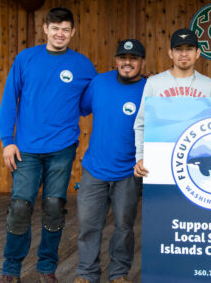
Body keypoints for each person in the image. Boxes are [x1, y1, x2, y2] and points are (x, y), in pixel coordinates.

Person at [0, 7, 97, 283]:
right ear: (45, 29)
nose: (60, 34)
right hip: (27, 148)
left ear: (73, 32)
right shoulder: (26, 59)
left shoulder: (82, 65)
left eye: (65, 29)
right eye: (55, 28)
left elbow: (88, 105)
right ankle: (11, 269)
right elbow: (9, 101)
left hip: (62, 148)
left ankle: (46, 267)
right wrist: (8, 141)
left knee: (54, 206)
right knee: (20, 207)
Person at [74, 39, 147, 283]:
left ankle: (118, 274)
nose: (127, 63)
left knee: (124, 228)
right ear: (116, 60)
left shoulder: (149, 89)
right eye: (123, 58)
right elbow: (81, 108)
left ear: (141, 62)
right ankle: (86, 273)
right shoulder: (99, 82)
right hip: (94, 169)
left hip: (128, 172)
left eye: (133, 58)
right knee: (88, 226)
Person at [133, 28, 211, 178]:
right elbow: (141, 123)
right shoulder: (154, 83)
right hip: (160, 158)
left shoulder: (208, 85)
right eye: (178, 49)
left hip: (195, 158)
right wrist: (140, 156)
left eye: (189, 49)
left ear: (198, 53)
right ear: (170, 53)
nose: (183, 54)